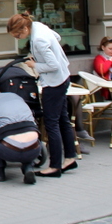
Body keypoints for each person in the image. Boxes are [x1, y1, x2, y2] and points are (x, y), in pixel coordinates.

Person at [7, 13, 77, 178]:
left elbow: (53, 65)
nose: (18, 38)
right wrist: (42, 55)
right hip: (63, 78)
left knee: (51, 124)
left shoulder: (38, 39)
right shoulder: (39, 26)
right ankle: (70, 158)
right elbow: (57, 37)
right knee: (63, 121)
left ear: (25, 28)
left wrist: (35, 64)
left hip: (54, 83)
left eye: (18, 34)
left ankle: (54, 166)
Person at [0, 85, 42, 184]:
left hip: (8, 150)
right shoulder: (16, 97)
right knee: (26, 137)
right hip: (34, 148)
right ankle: (28, 168)